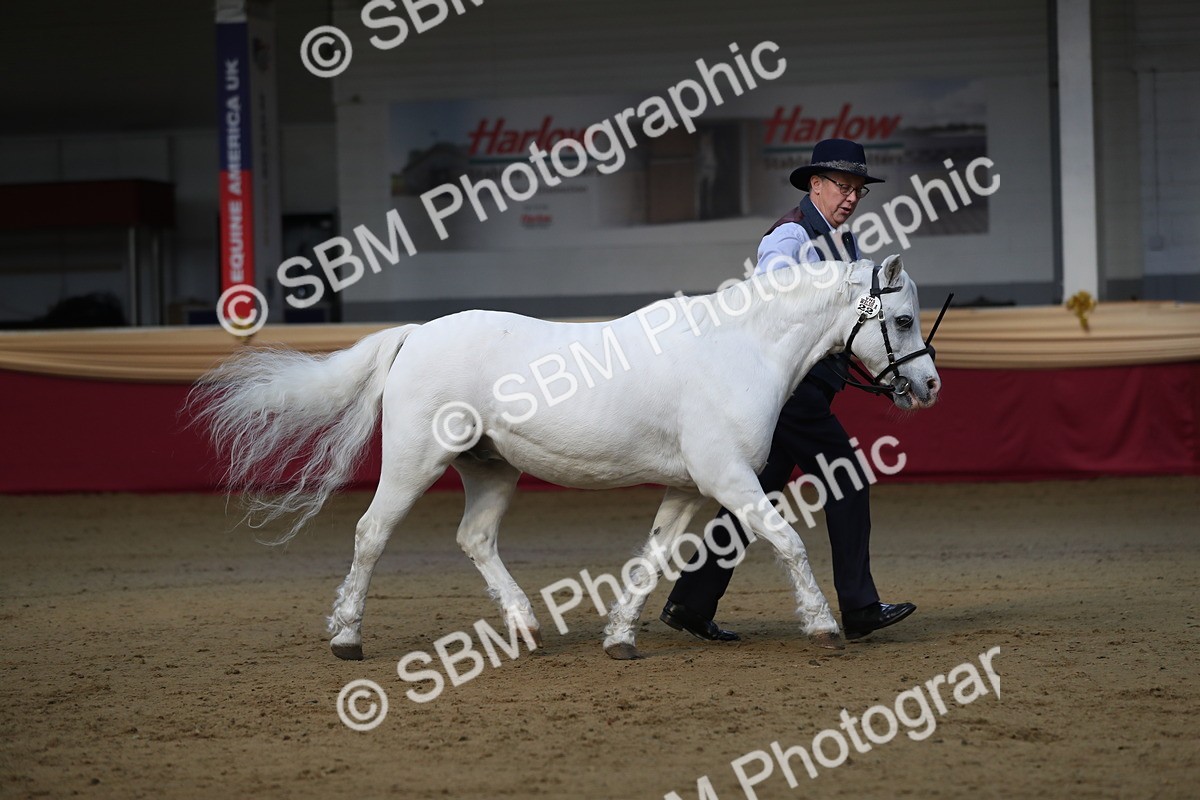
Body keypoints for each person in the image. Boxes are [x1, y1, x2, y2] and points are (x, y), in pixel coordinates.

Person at [660, 138, 916, 643]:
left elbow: (852, 321)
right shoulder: (788, 240)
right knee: (849, 481)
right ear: (815, 185)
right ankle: (860, 607)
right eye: (842, 187)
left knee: (750, 498)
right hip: (793, 396)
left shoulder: (847, 245)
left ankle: (691, 603)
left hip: (804, 392)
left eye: (858, 191)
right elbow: (775, 311)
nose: (850, 198)